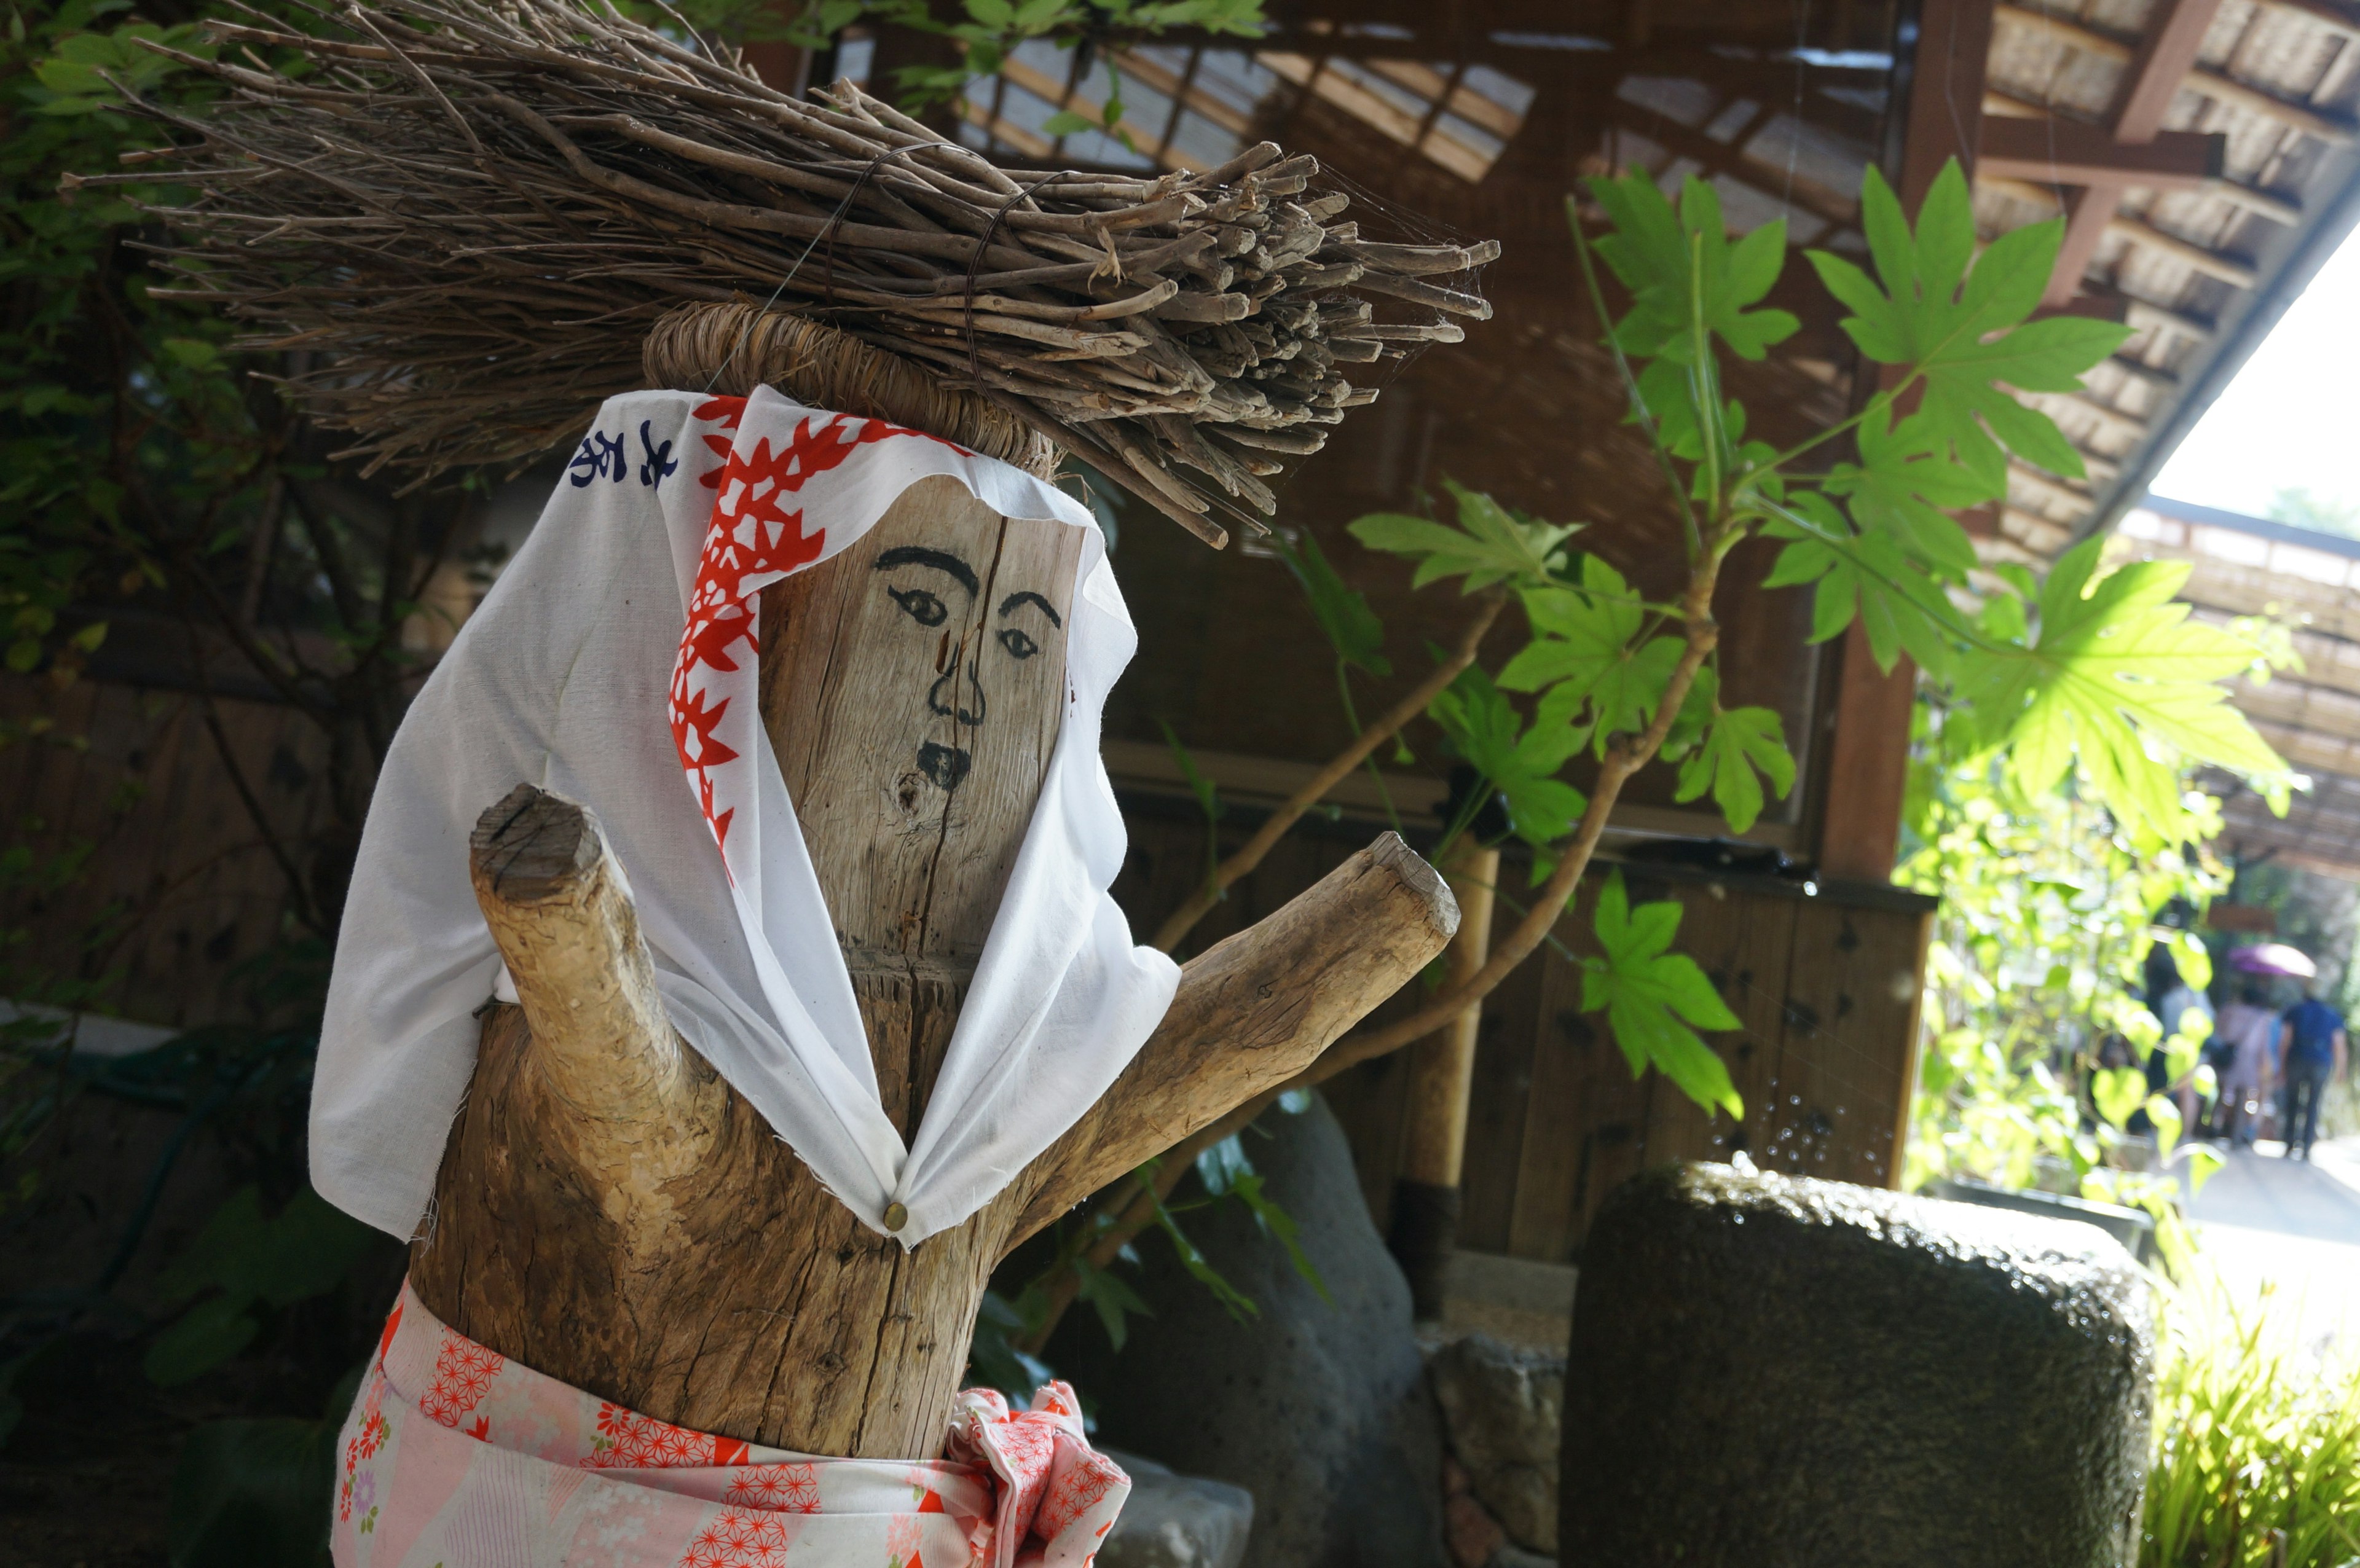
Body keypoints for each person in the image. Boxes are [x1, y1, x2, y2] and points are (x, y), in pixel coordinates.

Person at [2277, 986, 2348, 1160]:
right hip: (2320, 1062)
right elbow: (2339, 1045)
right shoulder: (2333, 1016)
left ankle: (2289, 1144)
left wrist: (2281, 1065)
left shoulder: (2295, 1010)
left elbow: (2285, 1039)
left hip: (2297, 1058)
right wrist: (2341, 1070)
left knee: (2292, 1102)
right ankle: (2307, 1147)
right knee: (2313, 1104)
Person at [2212, 984, 2279, 1147]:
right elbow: (2264, 1047)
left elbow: (2216, 1033)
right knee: (2244, 1095)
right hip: (2249, 1062)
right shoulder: (2261, 1018)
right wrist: (2265, 1066)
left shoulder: (2227, 1011)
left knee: (2221, 1094)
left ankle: (2215, 1126)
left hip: (2227, 1058)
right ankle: (2240, 1131)